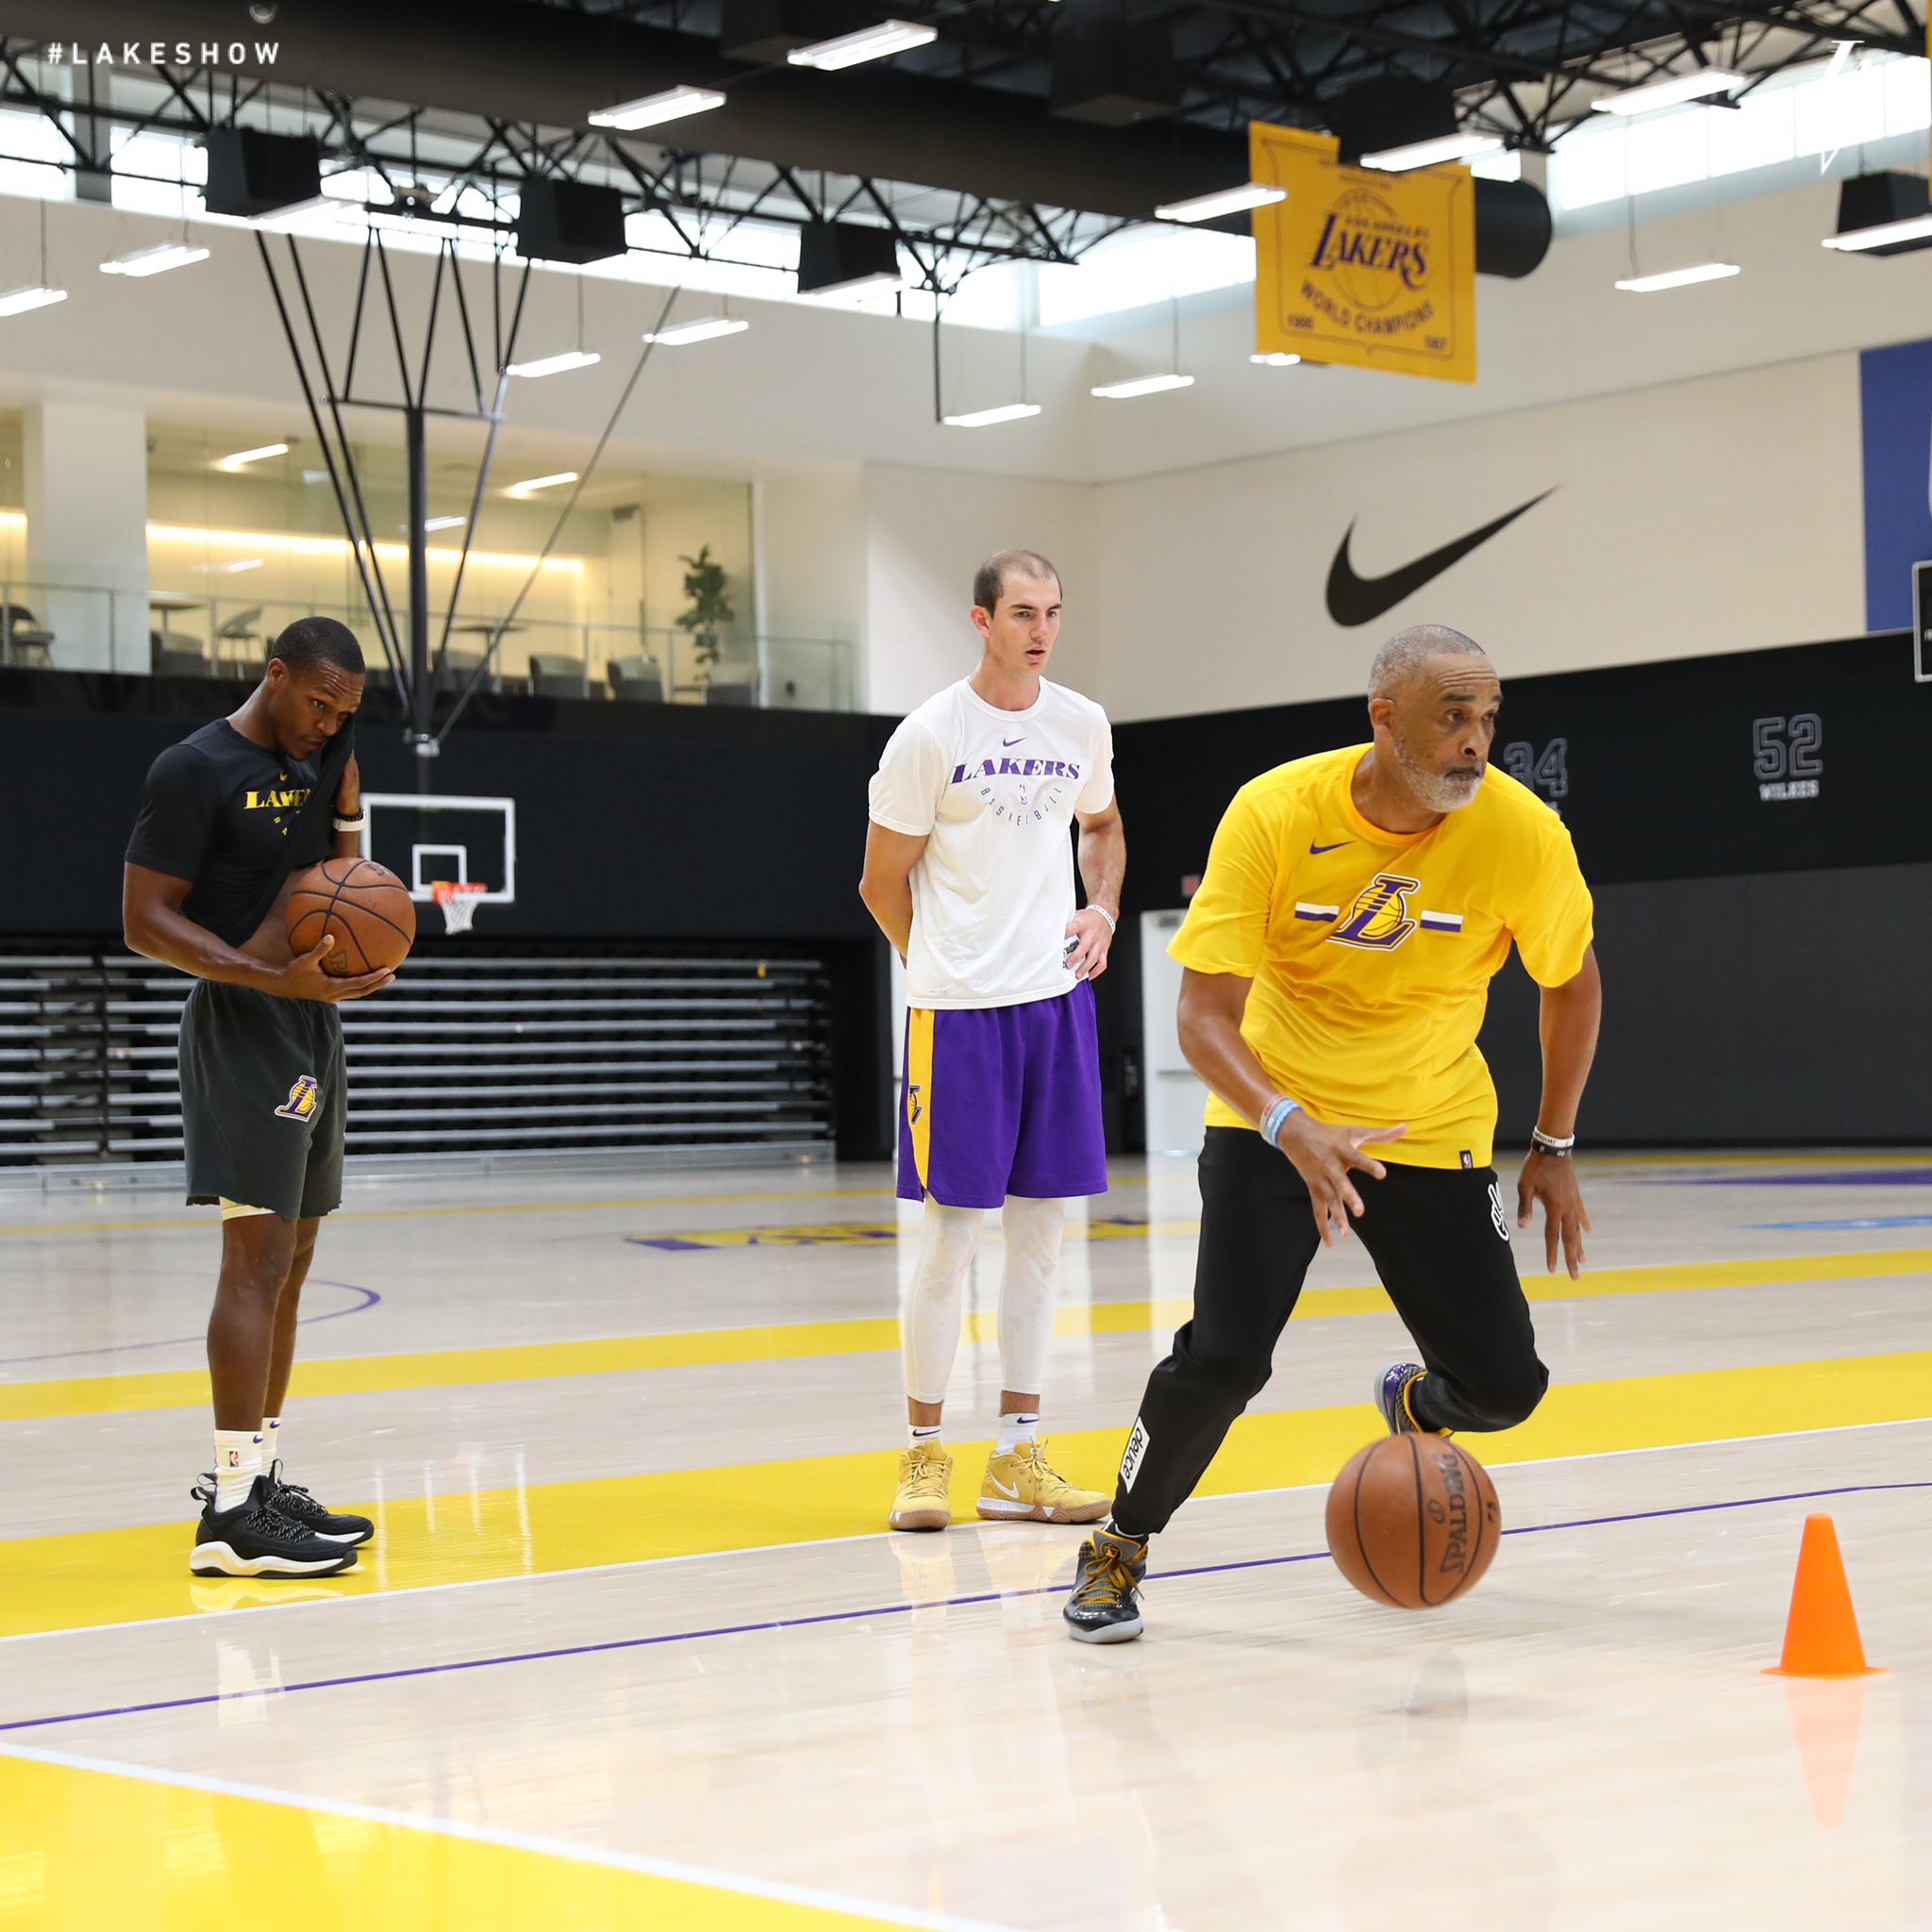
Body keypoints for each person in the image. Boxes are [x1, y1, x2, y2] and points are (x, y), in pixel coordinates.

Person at [1063, 624, 1601, 1641]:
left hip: (1427, 1122)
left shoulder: (1523, 833)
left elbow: (1570, 981)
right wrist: (1287, 1123)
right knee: (1223, 1361)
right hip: (1276, 1114)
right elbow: (1203, 1015)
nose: (1475, 740)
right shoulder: (1275, 810)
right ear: (1383, 718)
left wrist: (1555, 1143)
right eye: (1453, 715)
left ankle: (1417, 1402)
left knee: (1505, 1389)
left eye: (1488, 717)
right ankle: (1117, 1547)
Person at [860, 549, 1126, 1532]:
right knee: (951, 1239)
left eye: (1052, 612)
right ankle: (924, 1454)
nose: (1041, 630)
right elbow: (879, 882)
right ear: (981, 620)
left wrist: (1101, 907)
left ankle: (1016, 1457)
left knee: (1043, 1240)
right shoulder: (930, 735)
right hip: (958, 1017)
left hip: (1055, 1005)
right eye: (1022, 613)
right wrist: (936, 964)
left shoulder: (1082, 722)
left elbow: (1102, 826)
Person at [124, 616, 393, 1577]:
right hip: (240, 1020)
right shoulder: (192, 769)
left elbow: (337, 878)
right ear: (274, 674)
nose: (329, 723)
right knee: (257, 1258)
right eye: (318, 702)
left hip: (310, 1021)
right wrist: (264, 974)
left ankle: (260, 1476)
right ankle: (231, 1513)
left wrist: (352, 823)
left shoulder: (330, 752)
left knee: (296, 1258)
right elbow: (143, 920)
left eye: (344, 712)